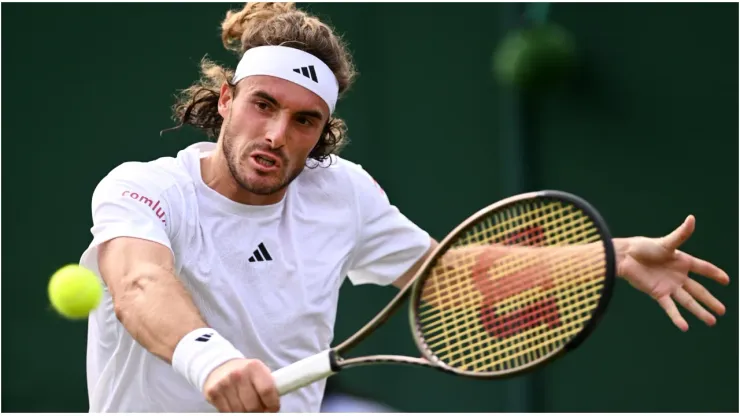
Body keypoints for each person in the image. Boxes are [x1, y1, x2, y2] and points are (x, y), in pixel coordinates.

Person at [80, 2, 730, 413]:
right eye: (263, 105)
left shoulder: (342, 194)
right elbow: (141, 283)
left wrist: (611, 257)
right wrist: (209, 360)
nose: (277, 136)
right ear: (225, 100)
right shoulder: (144, 188)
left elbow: (448, 279)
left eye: (305, 120)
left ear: (323, 131)